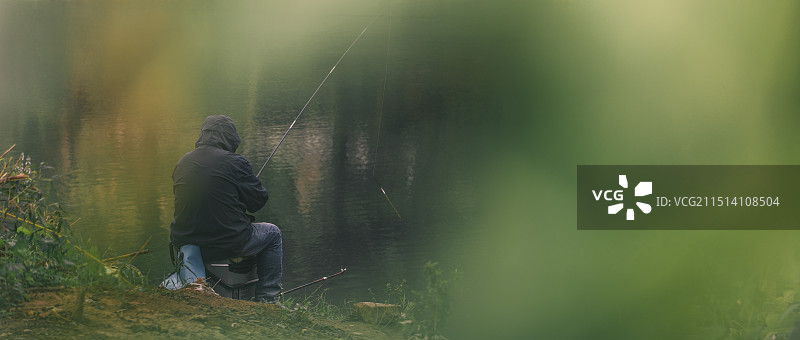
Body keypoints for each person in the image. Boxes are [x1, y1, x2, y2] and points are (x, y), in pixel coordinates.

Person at [169, 115, 282, 303]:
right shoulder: (235, 162)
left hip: (188, 242)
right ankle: (269, 299)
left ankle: (202, 286)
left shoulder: (183, 162)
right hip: (227, 241)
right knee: (273, 233)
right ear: (229, 138)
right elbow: (257, 202)